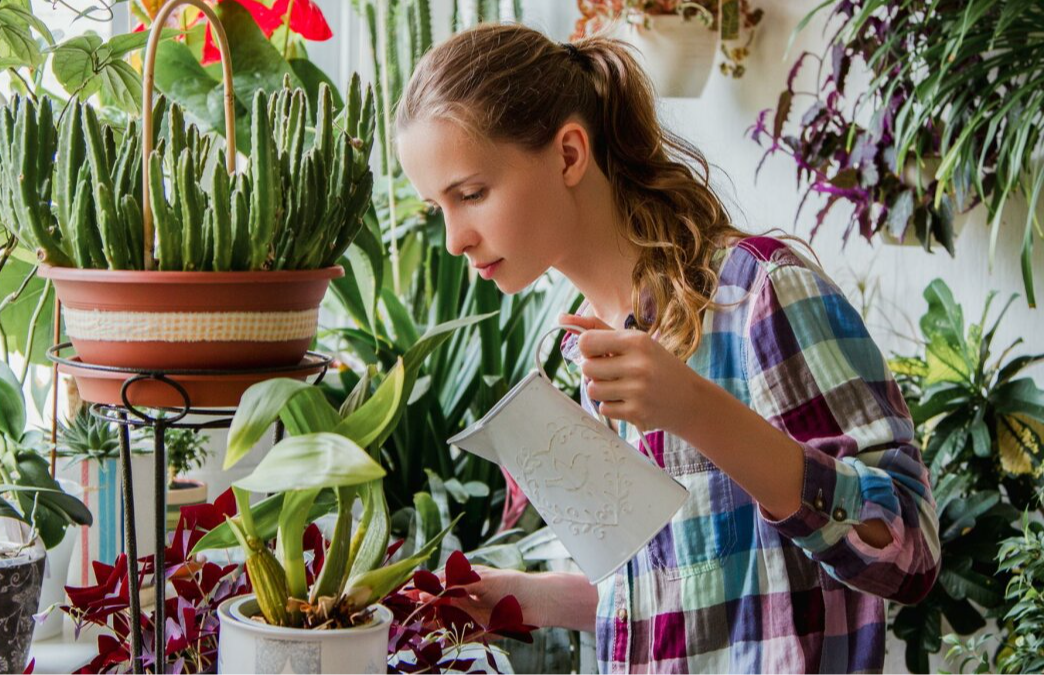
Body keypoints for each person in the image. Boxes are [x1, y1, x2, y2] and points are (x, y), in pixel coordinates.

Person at [394, 23, 941, 674]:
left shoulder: (761, 295)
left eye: (472, 193)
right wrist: (526, 596)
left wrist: (694, 409)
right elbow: (674, 595)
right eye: (438, 208)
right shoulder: (590, 350)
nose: (455, 238)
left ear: (570, 154)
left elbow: (909, 554)